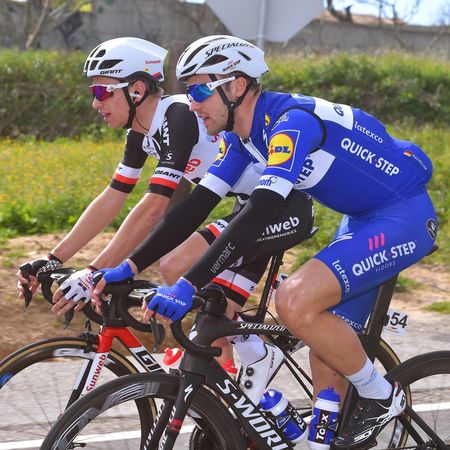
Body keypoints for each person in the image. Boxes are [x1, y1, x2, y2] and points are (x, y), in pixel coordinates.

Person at [94, 35, 437, 447]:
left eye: (199, 91)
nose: (193, 104)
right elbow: (196, 206)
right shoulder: (241, 137)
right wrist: (129, 265)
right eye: (188, 92)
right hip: (361, 219)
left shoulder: (291, 124)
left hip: (402, 216)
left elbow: (257, 213)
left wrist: (187, 284)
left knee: (294, 301)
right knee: (324, 345)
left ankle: (381, 396)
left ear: (237, 86)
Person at [16, 36, 315, 403]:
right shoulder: (141, 136)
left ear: (137, 90)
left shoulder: (178, 116)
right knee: (203, 300)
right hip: (245, 206)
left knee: (177, 265)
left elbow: (155, 208)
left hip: (278, 206)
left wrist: (94, 271)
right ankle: (227, 388)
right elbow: (111, 199)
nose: (95, 103)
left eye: (102, 91)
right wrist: (54, 258)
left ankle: (249, 361)